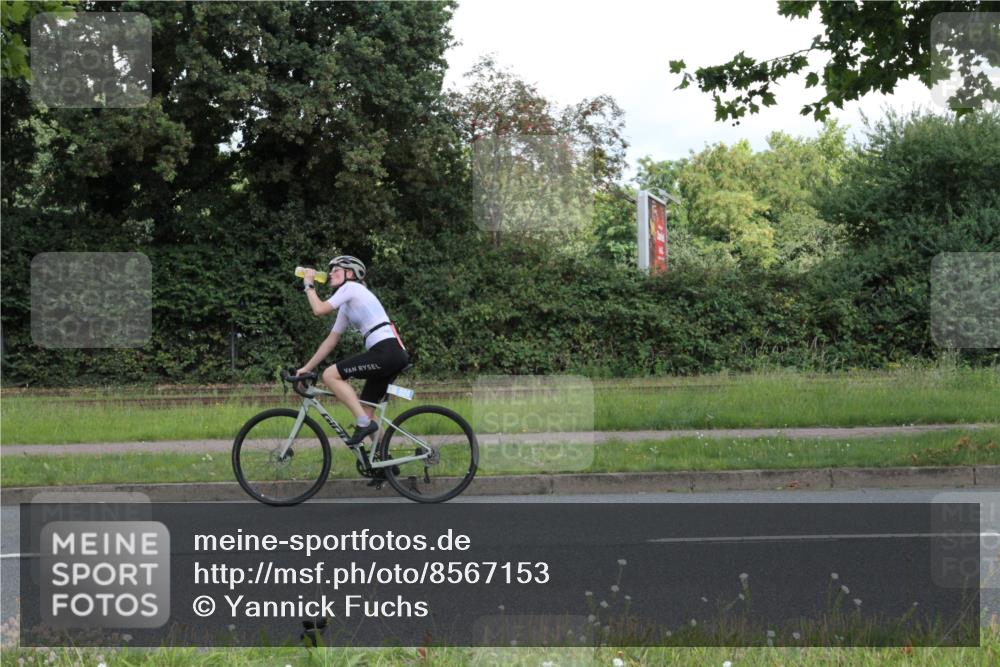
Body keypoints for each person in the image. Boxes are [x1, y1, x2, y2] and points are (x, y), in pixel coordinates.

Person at [296, 255, 408, 446]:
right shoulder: (347, 304)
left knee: (330, 375)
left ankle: (363, 424)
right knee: (367, 412)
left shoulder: (352, 288)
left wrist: (309, 284)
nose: (331, 274)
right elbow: (331, 341)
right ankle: (384, 463)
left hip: (386, 351)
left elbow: (319, 309)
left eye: (336, 270)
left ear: (350, 273)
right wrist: (306, 368)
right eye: (330, 271)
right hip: (389, 353)